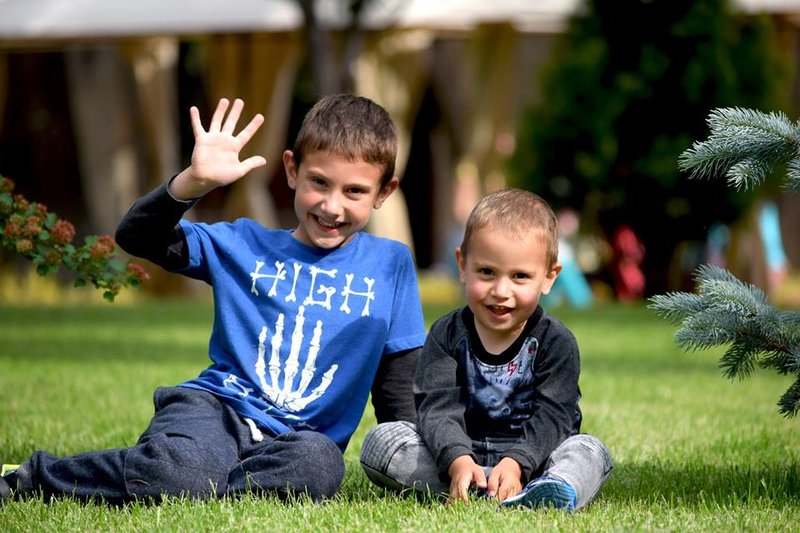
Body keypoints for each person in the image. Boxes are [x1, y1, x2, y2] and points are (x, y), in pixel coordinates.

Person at [0, 95, 426, 504]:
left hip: (300, 440)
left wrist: (418, 463)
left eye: (354, 191)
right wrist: (191, 183)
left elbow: (398, 382)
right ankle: (32, 478)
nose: (332, 206)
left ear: (383, 192)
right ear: (292, 170)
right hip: (213, 411)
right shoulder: (242, 243)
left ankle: (191, 479)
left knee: (319, 467)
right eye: (319, 182)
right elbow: (137, 237)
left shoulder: (390, 264)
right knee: (179, 471)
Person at [359, 188, 612, 512]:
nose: (501, 291)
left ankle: (549, 488)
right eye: (487, 272)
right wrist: (457, 460)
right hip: (458, 457)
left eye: (520, 276)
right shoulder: (446, 334)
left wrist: (517, 462)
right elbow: (436, 408)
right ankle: (472, 485)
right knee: (383, 440)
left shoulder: (556, 342)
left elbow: (555, 416)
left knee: (589, 450)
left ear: (549, 277)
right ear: (463, 265)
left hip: (536, 460)